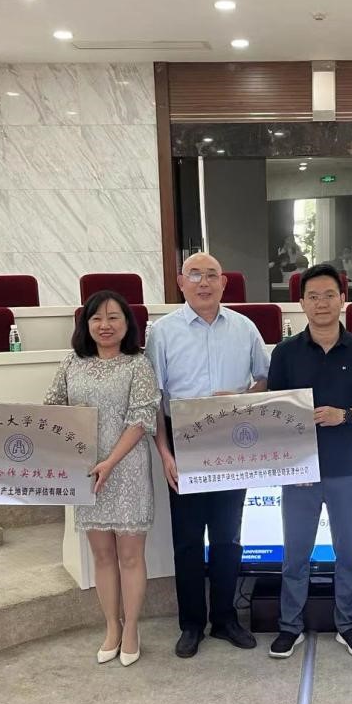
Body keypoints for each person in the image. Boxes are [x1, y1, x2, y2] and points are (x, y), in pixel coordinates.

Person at [146, 253, 271, 658]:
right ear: (180, 282)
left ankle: (225, 619)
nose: (204, 282)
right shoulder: (162, 332)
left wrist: (241, 396)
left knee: (227, 537)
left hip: (233, 442)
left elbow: (265, 378)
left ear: (224, 283)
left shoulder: (244, 327)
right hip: (183, 442)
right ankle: (191, 624)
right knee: (186, 540)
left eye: (211, 275)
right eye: (195, 275)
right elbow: (154, 399)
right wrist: (165, 453)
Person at [266, 264, 352, 659]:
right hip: (300, 471)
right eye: (313, 296)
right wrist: (292, 464)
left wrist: (347, 415)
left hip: (347, 469)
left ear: (343, 300)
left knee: (348, 553)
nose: (321, 303)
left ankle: (348, 625)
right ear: (301, 303)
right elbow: (274, 412)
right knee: (295, 554)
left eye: (329, 295)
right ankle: (289, 627)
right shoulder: (285, 353)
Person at [44, 291, 160, 667]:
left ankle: (132, 629)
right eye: (96, 318)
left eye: (113, 318)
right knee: (102, 555)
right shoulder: (71, 363)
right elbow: (52, 407)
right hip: (85, 471)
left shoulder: (138, 364)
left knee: (130, 555)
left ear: (127, 324)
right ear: (86, 324)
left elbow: (142, 418)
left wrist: (110, 461)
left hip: (126, 471)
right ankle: (112, 625)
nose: (105, 325)